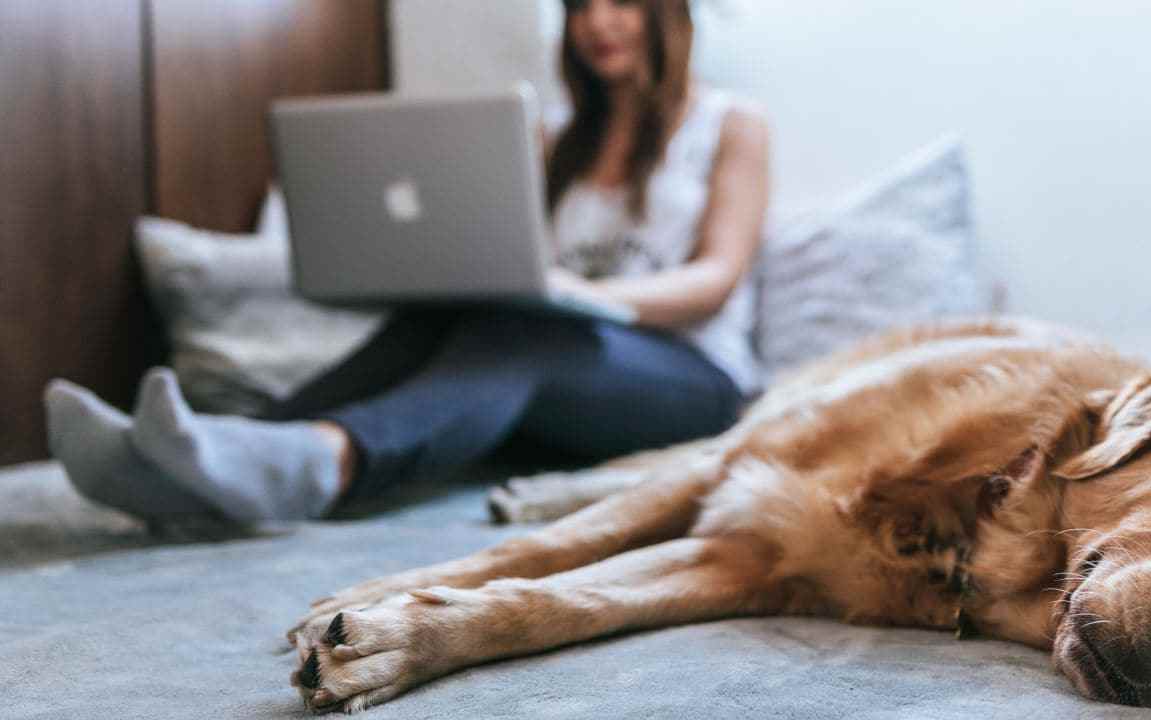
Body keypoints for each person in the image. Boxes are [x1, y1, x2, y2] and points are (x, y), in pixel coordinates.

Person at [44, 0, 770, 524]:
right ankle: (207, 459)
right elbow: (513, 257)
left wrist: (586, 292)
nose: (597, 22)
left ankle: (325, 462)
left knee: (529, 335)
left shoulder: (731, 123)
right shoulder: (555, 141)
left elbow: (716, 279)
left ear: (667, 12)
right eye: (580, 5)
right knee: (459, 315)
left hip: (690, 379)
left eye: (621, 2)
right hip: (563, 363)